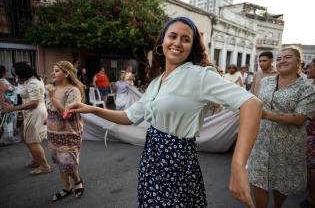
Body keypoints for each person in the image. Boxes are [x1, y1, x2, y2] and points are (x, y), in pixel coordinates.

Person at [68, 17, 262, 208]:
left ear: (191, 47)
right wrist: (91, 109)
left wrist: (238, 166)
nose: (178, 43)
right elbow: (128, 116)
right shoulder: (157, 82)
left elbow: (252, 104)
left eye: (185, 39)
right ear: (163, 42)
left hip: (178, 163)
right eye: (173, 36)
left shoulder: (199, 75)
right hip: (151, 160)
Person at [247, 46, 315, 208]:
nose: (282, 61)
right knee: (257, 179)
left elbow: (300, 118)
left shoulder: (307, 88)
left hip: (287, 145)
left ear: (299, 62)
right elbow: (256, 102)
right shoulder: (265, 81)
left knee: (280, 182)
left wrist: (266, 115)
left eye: (287, 57)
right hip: (261, 140)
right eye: (279, 58)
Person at [1, 62, 51, 174]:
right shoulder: (30, 80)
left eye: (16, 73)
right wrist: (19, 81)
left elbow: (34, 103)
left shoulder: (33, 82)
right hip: (31, 112)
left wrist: (12, 108)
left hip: (35, 111)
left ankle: (44, 166)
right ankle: (36, 160)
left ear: (22, 72)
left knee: (32, 140)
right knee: (24, 136)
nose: (15, 75)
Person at [46, 61, 85, 201]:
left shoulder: (73, 91)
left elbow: (66, 114)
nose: (53, 73)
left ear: (67, 73)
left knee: (68, 161)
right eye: (53, 70)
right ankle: (67, 187)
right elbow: (49, 110)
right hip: (53, 132)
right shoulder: (52, 88)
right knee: (59, 160)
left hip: (69, 131)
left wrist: (52, 97)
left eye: (56, 71)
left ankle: (77, 180)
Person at [300, 58, 315, 208]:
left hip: (312, 135)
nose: (307, 70)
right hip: (308, 132)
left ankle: (312, 198)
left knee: (312, 169)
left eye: (310, 67)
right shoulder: (310, 86)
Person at [0, 64, 18, 145]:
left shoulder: (3, 80)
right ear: (2, 71)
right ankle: (5, 140)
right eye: (6, 70)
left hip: (9, 105)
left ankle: (7, 139)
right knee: (6, 122)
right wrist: (4, 106)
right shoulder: (1, 81)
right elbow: (1, 95)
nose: (7, 72)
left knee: (7, 122)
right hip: (6, 106)